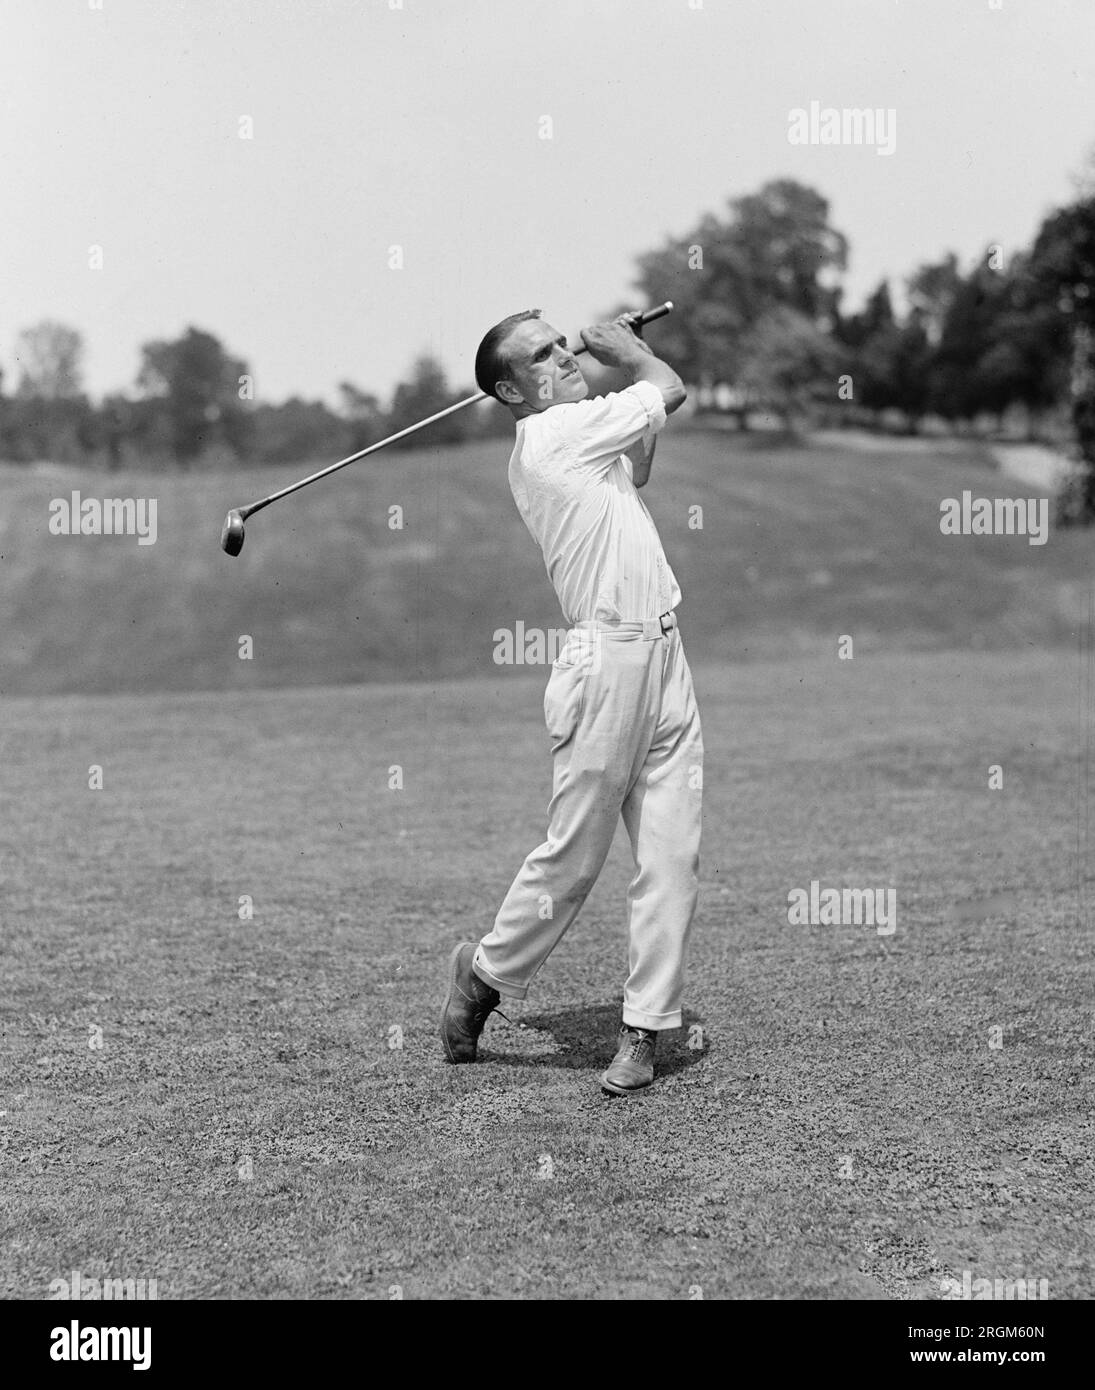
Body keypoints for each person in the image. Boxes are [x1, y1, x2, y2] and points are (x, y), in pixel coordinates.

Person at [439, 309, 704, 1095]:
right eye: (542, 354)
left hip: (664, 651)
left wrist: (616, 368)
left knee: (672, 853)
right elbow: (671, 390)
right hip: (605, 660)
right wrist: (634, 354)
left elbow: (642, 460)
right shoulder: (552, 438)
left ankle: (643, 1029)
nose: (563, 354)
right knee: (574, 857)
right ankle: (481, 978)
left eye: (563, 340)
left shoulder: (584, 433)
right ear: (510, 390)